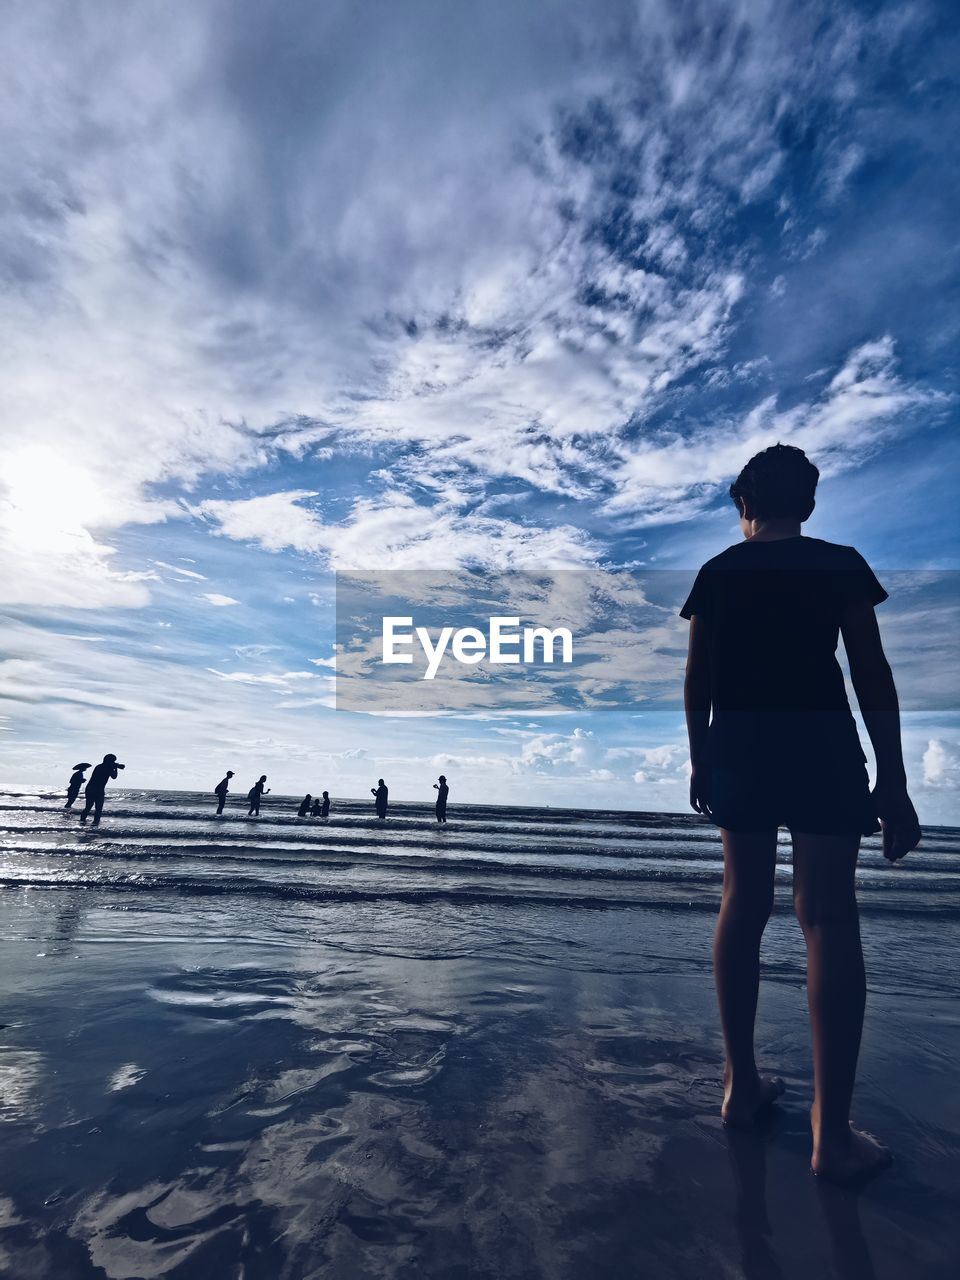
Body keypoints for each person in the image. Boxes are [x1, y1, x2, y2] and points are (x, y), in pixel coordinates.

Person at [680, 443, 921, 1184]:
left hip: (742, 745)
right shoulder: (839, 563)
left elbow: (699, 678)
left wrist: (700, 758)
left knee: (741, 903)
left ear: (743, 505)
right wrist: (895, 776)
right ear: (808, 505)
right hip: (821, 741)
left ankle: (740, 1087)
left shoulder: (718, 573)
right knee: (827, 916)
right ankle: (832, 1133)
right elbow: (870, 670)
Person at [79, 754, 125, 827]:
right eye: (113, 761)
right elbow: (114, 776)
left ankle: (83, 822)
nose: (113, 762)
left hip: (93, 788)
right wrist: (115, 768)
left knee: (89, 807)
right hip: (95, 789)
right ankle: (93, 824)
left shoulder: (99, 766)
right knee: (97, 808)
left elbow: (113, 776)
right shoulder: (105, 767)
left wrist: (114, 767)